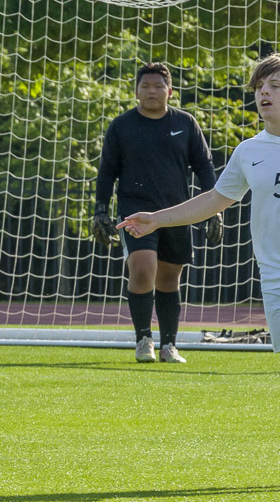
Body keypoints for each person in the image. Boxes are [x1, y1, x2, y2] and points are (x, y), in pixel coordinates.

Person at [119, 55, 280, 350]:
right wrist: (157, 218)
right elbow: (213, 200)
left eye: (275, 85)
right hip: (274, 278)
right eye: (259, 87)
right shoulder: (248, 151)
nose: (264, 92)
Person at [92, 63, 220, 364]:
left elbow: (203, 165)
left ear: (170, 91)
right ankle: (143, 339)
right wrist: (100, 210)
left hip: (177, 211)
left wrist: (214, 208)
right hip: (134, 210)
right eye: (146, 86)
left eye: (158, 86)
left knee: (168, 278)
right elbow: (107, 172)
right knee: (142, 267)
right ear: (136, 91)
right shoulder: (121, 126)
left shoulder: (186, 123)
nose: (152, 91)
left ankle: (169, 345)